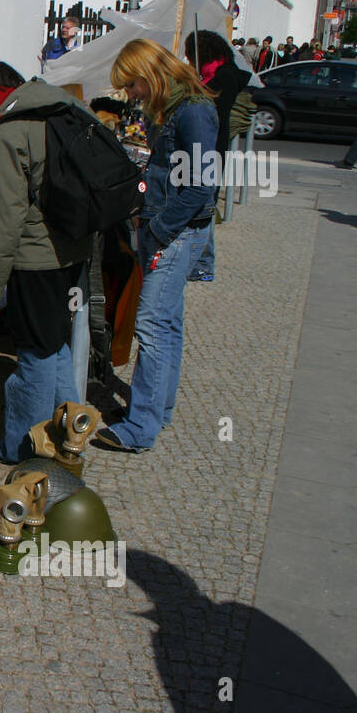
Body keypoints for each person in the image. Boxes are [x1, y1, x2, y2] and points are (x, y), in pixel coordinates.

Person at [93, 38, 217, 454]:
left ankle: (140, 425)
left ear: (148, 74)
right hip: (172, 226)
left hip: (176, 231)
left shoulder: (194, 111)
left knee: (152, 325)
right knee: (166, 323)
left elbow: (201, 184)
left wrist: (159, 229)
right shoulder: (180, 107)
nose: (130, 95)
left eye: (131, 85)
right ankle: (157, 410)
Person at [0, 62, 93, 464]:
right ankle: (70, 433)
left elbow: (3, 219)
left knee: (34, 359)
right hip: (73, 249)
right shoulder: (63, 109)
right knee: (53, 345)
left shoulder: (12, 129)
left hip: (36, 259)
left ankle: (25, 449)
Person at [183, 29, 251, 282]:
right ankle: (198, 260)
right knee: (202, 202)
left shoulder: (223, 77)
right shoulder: (213, 74)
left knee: (204, 205)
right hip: (207, 146)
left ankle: (202, 263)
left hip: (211, 147)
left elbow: (214, 112)